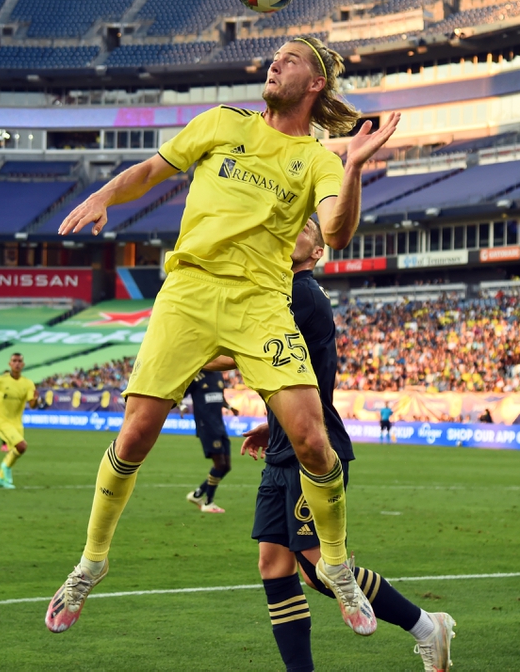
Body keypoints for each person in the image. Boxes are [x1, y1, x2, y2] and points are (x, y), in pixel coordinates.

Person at [46, 35, 401, 636]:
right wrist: (106, 194)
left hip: (261, 302)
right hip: (188, 291)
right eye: (275, 57)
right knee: (134, 436)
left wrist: (355, 165)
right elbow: (154, 170)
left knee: (314, 441)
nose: (274, 63)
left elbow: (337, 235)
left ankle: (337, 565)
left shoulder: (317, 158)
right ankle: (90, 563)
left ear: (314, 84)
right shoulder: (220, 122)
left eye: (289, 60)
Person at [228, 218, 455, 672]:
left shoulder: (302, 293)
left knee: (317, 569)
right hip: (283, 444)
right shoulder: (284, 292)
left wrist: (185, 351)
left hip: (312, 448)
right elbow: (286, 372)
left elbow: (243, 349)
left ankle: (428, 626)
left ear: (317, 251)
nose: (291, 229)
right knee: (273, 565)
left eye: (305, 227)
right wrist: (269, 423)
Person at [183, 369, 239, 514]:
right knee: (219, 464)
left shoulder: (218, 374)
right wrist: (181, 406)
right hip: (205, 425)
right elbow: (179, 393)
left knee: (226, 466)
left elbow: (219, 396)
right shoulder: (195, 375)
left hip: (219, 424)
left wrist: (229, 407)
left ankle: (197, 495)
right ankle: (209, 502)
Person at [0, 353, 37, 490]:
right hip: (2, 421)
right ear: (9, 364)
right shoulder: (0, 380)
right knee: (22, 446)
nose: (17, 363)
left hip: (17, 422)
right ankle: (5, 468)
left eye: (19, 361)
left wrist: (36, 400)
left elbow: (32, 404)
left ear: (23, 365)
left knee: (16, 451)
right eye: (14, 361)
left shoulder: (28, 383)